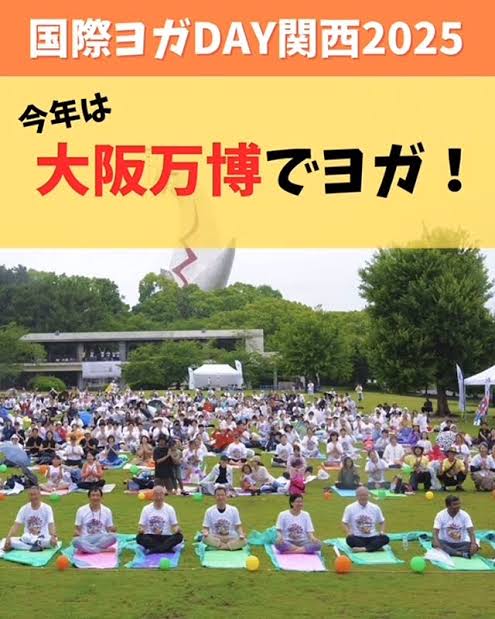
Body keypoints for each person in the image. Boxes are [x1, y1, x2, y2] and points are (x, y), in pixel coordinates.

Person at [3, 485, 58, 551]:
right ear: (28, 496)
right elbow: (16, 525)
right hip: (28, 538)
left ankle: (32, 546)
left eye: (35, 494)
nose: (33, 497)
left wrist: (53, 536)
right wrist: (8, 538)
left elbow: (51, 524)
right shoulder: (24, 508)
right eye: (31, 495)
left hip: (43, 538)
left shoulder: (47, 508)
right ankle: (35, 546)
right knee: (12, 540)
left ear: (40, 495)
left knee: (52, 542)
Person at [136, 485, 183, 554]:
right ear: (152, 496)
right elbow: (141, 526)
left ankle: (154, 549)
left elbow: (174, 526)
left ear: (164, 496)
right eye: (156, 495)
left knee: (179, 536)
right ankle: (165, 548)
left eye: (160, 495)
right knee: (139, 538)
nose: (158, 498)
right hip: (151, 537)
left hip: (166, 537)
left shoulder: (170, 509)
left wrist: (177, 530)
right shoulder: (146, 509)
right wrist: (141, 530)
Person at [342, 486, 390, 553]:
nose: (363, 497)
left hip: (372, 537)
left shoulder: (375, 508)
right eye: (361, 495)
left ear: (368, 495)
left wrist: (382, 531)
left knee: (385, 538)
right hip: (357, 537)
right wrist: (348, 532)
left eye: (365, 495)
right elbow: (344, 522)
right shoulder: (349, 508)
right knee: (349, 539)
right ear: (357, 496)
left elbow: (382, 521)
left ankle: (363, 549)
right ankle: (375, 547)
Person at [73, 487, 117, 553]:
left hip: (101, 538)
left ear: (101, 497)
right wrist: (76, 533)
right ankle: (102, 550)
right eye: (93, 495)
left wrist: (113, 529)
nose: (95, 498)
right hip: (86, 538)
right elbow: (77, 529)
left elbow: (109, 529)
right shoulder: (81, 510)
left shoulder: (107, 510)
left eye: (97, 495)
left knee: (113, 537)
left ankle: (88, 549)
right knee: (75, 541)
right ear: (89, 497)